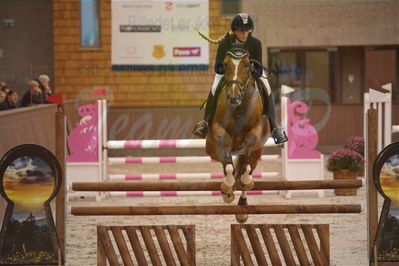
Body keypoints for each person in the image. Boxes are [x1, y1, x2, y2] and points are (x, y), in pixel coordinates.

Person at [192, 13, 288, 144]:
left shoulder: (255, 43)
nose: (244, 33)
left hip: (250, 74)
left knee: (267, 86)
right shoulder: (225, 42)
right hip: (228, 75)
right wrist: (231, 71)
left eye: (247, 30)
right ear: (235, 30)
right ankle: (206, 123)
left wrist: (249, 70)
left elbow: (259, 69)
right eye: (241, 30)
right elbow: (217, 67)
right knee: (214, 88)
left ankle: (274, 126)